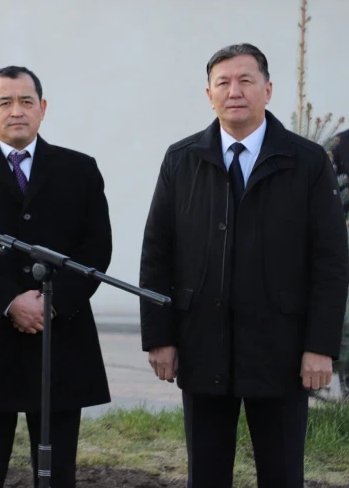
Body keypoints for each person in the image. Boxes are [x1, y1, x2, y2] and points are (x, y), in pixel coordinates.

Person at [139, 44, 349, 488]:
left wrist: (320, 345)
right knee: (206, 475)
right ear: (209, 94)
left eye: (246, 80)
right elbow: (157, 252)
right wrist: (159, 337)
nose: (234, 91)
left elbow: (330, 261)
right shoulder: (182, 159)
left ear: (267, 90)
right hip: (201, 345)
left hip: (282, 351)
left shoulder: (308, 161)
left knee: (282, 474)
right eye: (223, 82)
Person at [0, 66, 113, 488]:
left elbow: (95, 249)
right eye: (5, 102)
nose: (17, 111)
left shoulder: (79, 169)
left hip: (60, 337)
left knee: (57, 474)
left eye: (26, 101)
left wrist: (52, 303)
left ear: (42, 108)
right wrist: (10, 302)